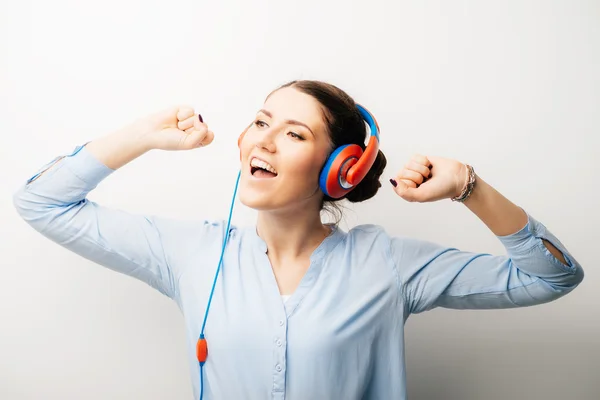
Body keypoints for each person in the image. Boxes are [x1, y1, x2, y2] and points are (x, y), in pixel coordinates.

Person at [13, 80, 584, 400]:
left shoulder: (387, 264)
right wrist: (142, 135)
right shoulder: (192, 254)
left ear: (341, 170)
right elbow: (40, 201)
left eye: (293, 133)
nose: (264, 142)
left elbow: (553, 275)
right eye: (260, 123)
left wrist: (469, 187)